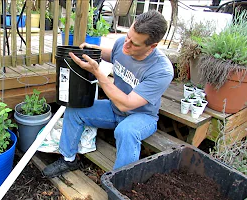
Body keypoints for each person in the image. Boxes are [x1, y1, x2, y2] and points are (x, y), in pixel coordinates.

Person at [43, 10, 174, 178]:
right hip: (114, 110)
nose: (126, 44)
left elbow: (126, 103)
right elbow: (112, 53)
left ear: (152, 46)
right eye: (127, 36)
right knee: (74, 109)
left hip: (141, 117)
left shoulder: (161, 70)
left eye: (134, 44)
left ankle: (120, 181)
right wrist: (91, 50)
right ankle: (69, 159)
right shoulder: (123, 44)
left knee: (126, 131)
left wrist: (98, 73)